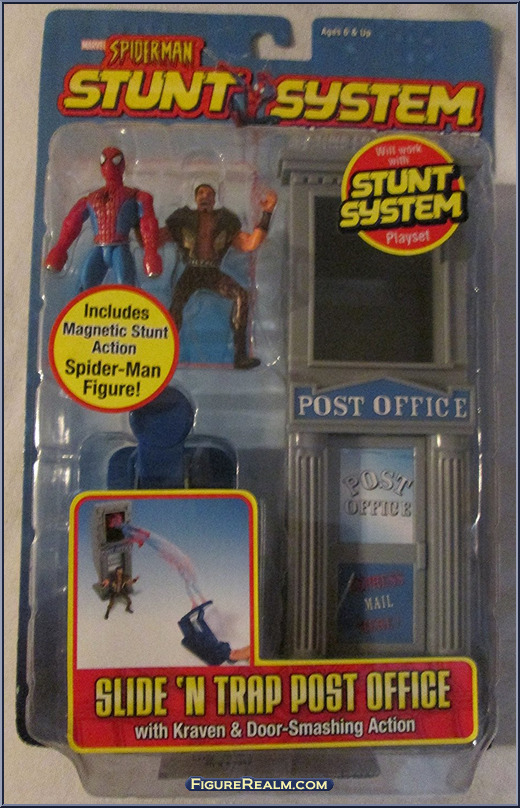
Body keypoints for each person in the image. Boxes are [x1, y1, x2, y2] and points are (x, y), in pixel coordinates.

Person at [162, 183, 277, 369]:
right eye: (201, 193)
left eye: (209, 193)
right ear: (195, 198)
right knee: (176, 305)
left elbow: (250, 244)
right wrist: (138, 219)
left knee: (241, 296)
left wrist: (267, 213)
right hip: (192, 271)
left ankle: (240, 356)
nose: (205, 196)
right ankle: (163, 352)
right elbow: (155, 238)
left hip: (212, 272)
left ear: (214, 199)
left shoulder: (225, 221)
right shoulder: (183, 219)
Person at [45, 146, 162, 290]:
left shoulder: (136, 196)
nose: (109, 165)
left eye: (115, 160)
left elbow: (148, 224)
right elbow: (72, 223)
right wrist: (60, 250)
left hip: (120, 247)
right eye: (104, 161)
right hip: (99, 249)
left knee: (125, 286)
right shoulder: (91, 198)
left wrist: (151, 253)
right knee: (85, 283)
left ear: (122, 165)